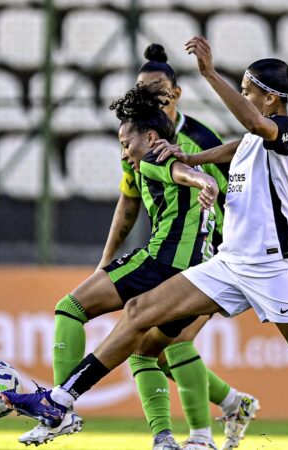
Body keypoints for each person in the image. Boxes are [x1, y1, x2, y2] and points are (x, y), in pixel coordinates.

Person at [2, 36, 288, 450]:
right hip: (229, 263)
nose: (244, 100)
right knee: (139, 313)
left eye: (247, 92)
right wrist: (186, 154)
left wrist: (209, 73)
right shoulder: (254, 137)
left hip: (275, 265)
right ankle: (60, 402)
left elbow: (254, 128)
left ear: (269, 97)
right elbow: (231, 148)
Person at [19, 80, 231, 450]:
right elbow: (180, 173)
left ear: (149, 137)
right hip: (195, 281)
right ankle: (165, 438)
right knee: (144, 350)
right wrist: (203, 180)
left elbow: (180, 172)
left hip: (159, 263)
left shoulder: (154, 157)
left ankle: (57, 406)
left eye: (125, 144)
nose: (123, 154)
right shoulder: (172, 153)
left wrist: (200, 180)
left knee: (70, 308)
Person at [94, 43, 259, 450]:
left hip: (217, 256)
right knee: (158, 349)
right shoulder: (133, 141)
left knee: (171, 342)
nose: (150, 96)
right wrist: (105, 261)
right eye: (142, 88)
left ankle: (200, 438)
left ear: (176, 92)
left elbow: (240, 185)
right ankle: (233, 404)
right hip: (171, 256)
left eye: (158, 89)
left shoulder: (200, 137)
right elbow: (129, 203)